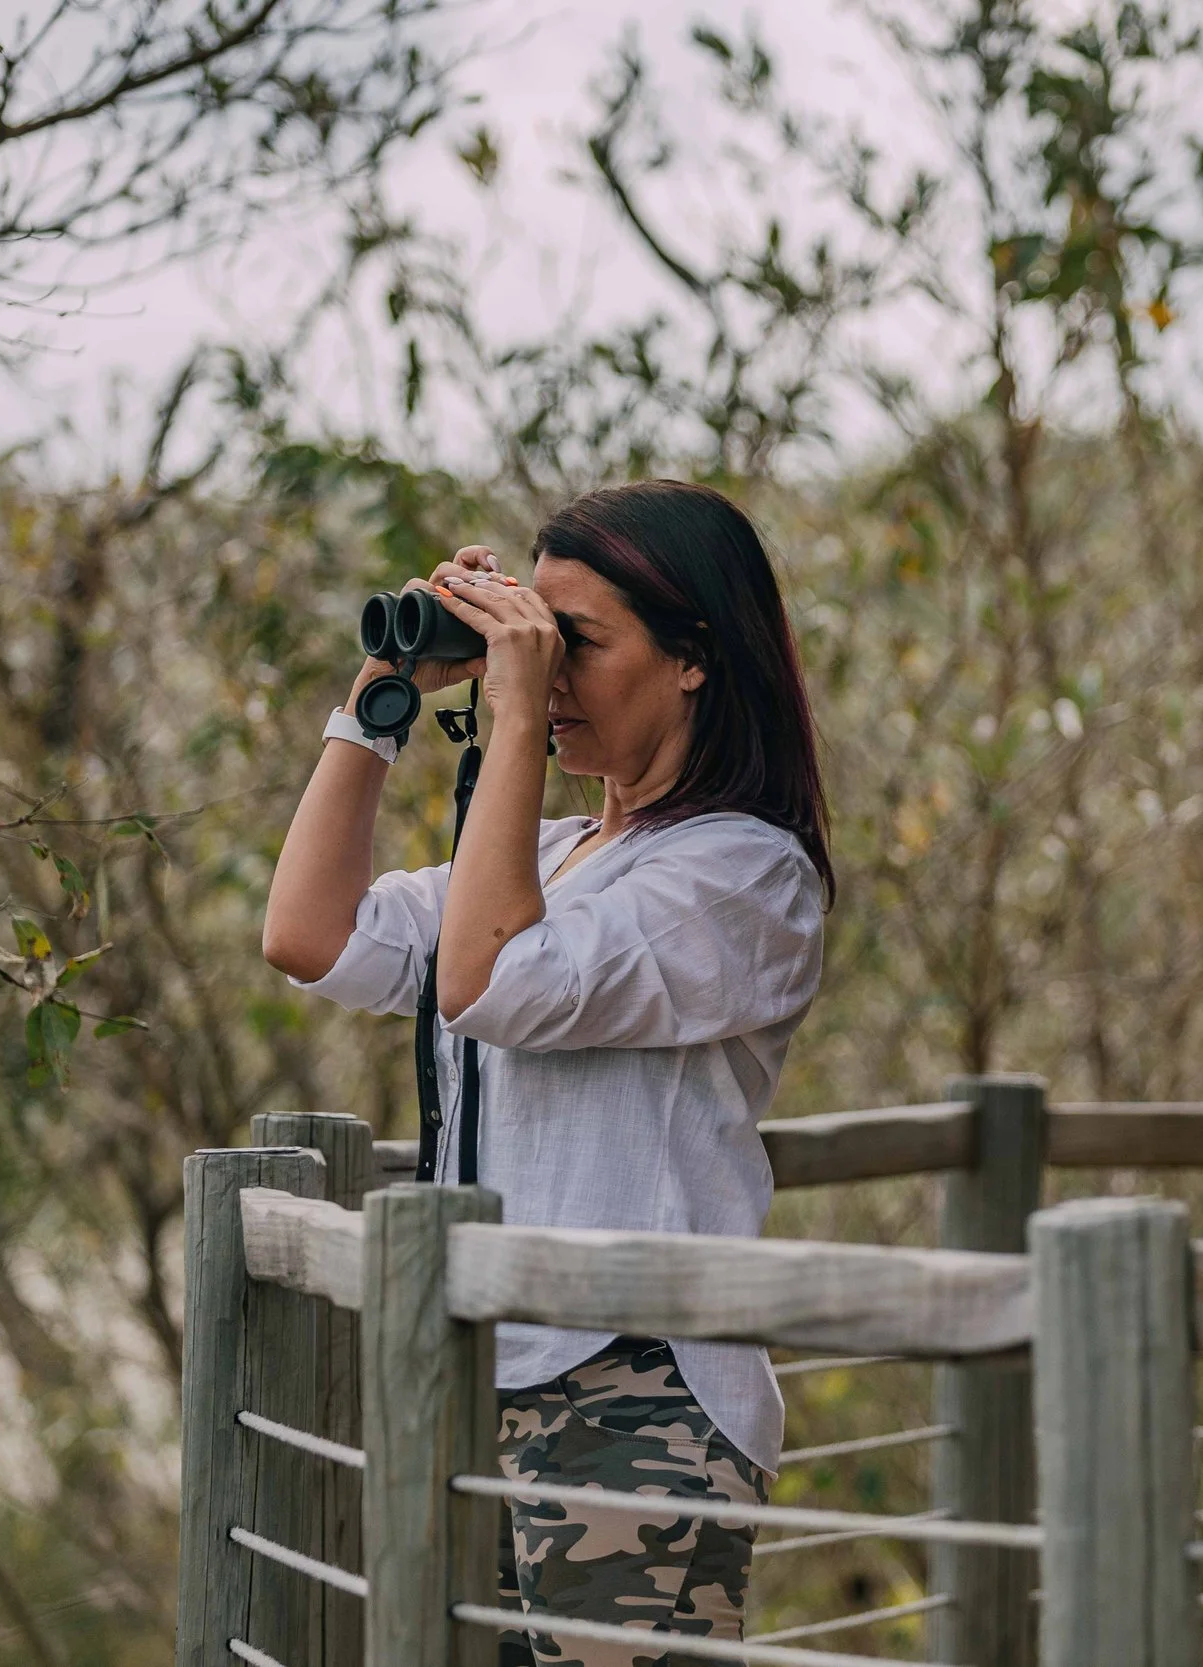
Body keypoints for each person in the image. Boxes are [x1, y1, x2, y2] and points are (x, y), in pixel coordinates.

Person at [262, 480, 834, 1666]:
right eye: (534, 642)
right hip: (485, 1373)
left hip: (641, 1393)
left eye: (578, 645)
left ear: (692, 658)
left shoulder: (744, 874)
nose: (549, 676)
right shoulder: (549, 858)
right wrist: (380, 705)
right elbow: (310, 935)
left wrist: (515, 719)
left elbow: (487, 982)